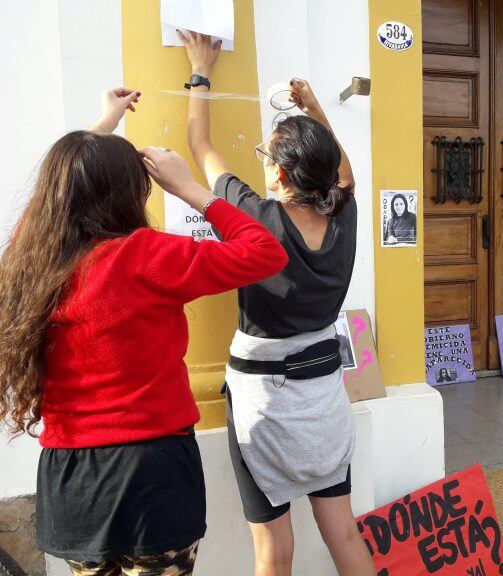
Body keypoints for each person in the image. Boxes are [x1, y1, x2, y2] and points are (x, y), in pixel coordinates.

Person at [0, 88, 288, 575]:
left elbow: (51, 197)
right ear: (129, 193)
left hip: (73, 478)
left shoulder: (31, 262)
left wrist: (101, 128)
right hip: (151, 472)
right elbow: (266, 251)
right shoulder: (145, 256)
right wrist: (190, 189)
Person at [178, 32, 376, 576]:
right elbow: (343, 176)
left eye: (267, 154)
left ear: (281, 174)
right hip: (324, 400)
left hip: (263, 402)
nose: (262, 159)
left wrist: (200, 71)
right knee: (344, 534)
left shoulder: (255, 219)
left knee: (273, 549)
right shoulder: (344, 217)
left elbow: (200, 145)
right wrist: (313, 109)